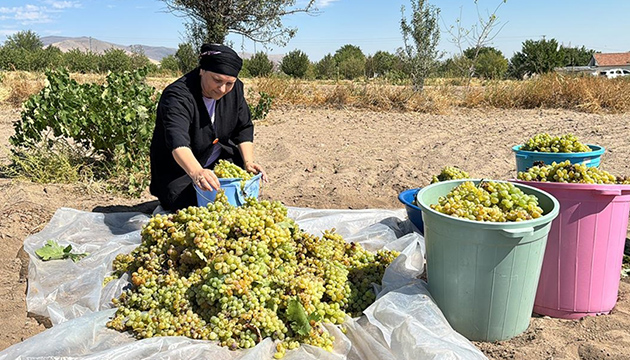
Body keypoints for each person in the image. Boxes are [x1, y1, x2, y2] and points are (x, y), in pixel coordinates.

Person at [149, 43, 268, 211]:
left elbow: (244, 128)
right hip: (180, 170)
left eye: (229, 83)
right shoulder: (178, 96)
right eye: (217, 80)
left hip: (217, 162)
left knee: (240, 194)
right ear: (202, 70)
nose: (222, 89)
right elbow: (177, 141)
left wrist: (248, 162)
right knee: (194, 203)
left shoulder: (235, 90)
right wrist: (198, 172)